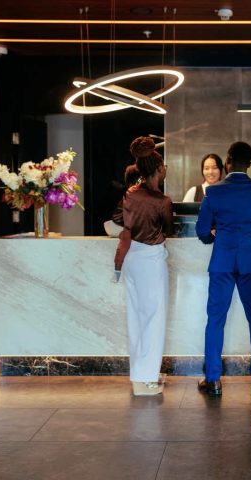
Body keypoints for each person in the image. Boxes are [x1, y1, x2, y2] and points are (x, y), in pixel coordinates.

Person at [195, 141, 251, 396]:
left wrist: (213, 237)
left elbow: (201, 230)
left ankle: (213, 380)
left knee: (215, 320)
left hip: (222, 263)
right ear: (249, 164)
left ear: (227, 162)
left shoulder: (213, 192)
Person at [122, 136, 174, 396]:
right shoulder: (162, 201)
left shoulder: (130, 194)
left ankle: (139, 374)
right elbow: (169, 229)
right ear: (159, 169)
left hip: (131, 258)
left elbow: (120, 220)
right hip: (151, 260)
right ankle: (147, 379)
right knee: (154, 319)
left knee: (135, 317)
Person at [111, 165, 141, 279]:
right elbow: (117, 218)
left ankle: (117, 273)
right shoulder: (130, 197)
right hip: (125, 229)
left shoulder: (130, 197)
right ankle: (117, 273)